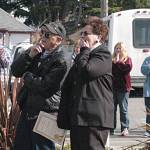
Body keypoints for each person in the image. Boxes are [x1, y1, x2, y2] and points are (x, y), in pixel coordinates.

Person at [57, 17, 114, 150]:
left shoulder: (103, 54)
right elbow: (69, 83)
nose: (82, 37)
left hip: (94, 119)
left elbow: (87, 71)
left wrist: (84, 51)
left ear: (99, 36)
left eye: (86, 34)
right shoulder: (84, 55)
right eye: (81, 33)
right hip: (79, 118)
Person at [11, 21, 67, 150]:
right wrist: (30, 55)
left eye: (47, 35)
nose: (42, 37)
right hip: (29, 109)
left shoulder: (61, 60)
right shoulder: (38, 53)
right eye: (42, 33)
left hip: (47, 112)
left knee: (42, 147)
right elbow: (16, 71)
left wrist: (27, 77)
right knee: (21, 146)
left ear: (58, 40)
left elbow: (44, 86)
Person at [111, 42, 132, 136]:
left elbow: (126, 70)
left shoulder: (128, 59)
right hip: (112, 87)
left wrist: (119, 62)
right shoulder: (111, 60)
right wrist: (115, 62)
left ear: (123, 49)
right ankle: (111, 128)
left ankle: (125, 128)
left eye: (119, 48)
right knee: (112, 109)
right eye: (116, 48)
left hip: (123, 88)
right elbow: (111, 71)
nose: (118, 50)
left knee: (123, 109)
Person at [141, 56, 150, 137]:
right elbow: (143, 70)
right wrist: (148, 67)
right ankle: (148, 131)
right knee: (149, 112)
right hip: (148, 92)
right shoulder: (147, 59)